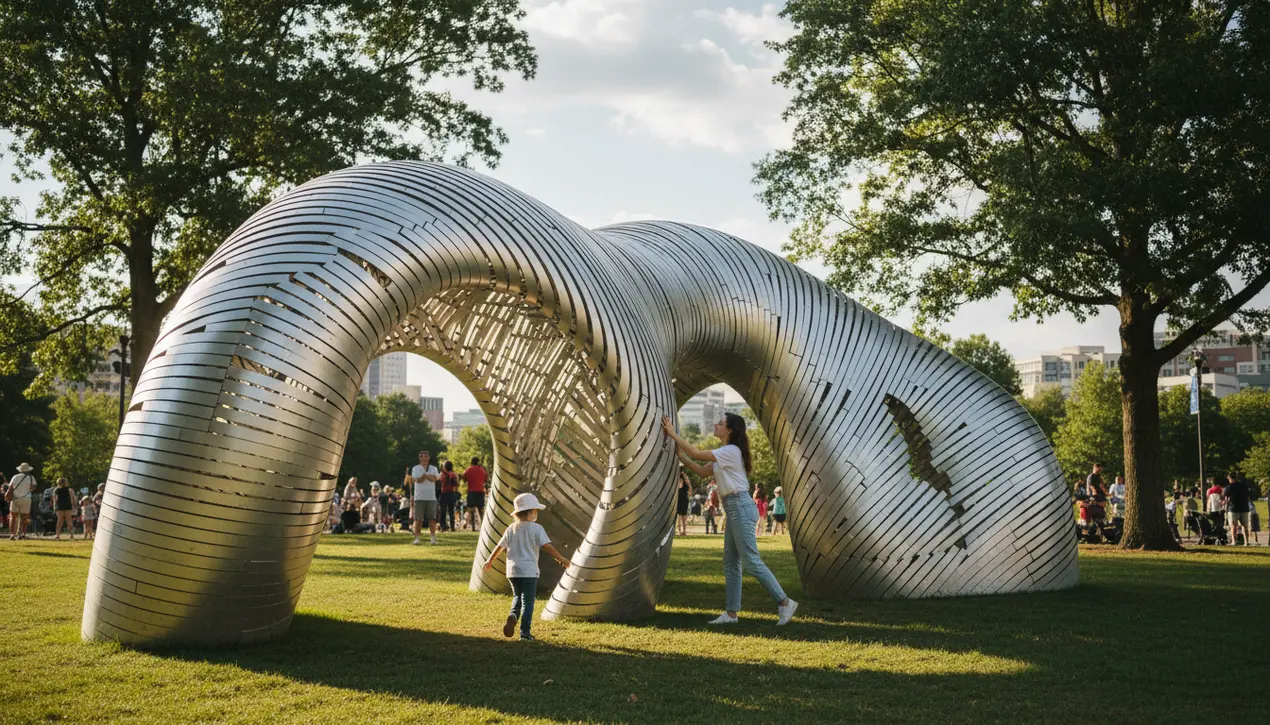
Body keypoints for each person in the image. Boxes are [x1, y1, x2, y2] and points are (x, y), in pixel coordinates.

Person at [662, 414, 798, 626]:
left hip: (740, 506)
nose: (715, 425)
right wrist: (680, 455)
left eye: (720, 423)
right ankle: (731, 614)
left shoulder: (730, 451)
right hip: (734, 507)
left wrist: (672, 433)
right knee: (731, 563)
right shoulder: (723, 456)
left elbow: (696, 452)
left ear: (730, 430)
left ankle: (784, 602)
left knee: (751, 562)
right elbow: (699, 468)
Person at [482, 493, 570, 641]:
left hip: (513, 571)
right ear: (530, 512)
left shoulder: (511, 528)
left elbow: (500, 546)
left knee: (517, 596)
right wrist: (561, 559)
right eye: (536, 511)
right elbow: (547, 547)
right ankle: (525, 633)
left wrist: (489, 560)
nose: (536, 513)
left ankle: (513, 615)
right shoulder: (536, 528)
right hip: (529, 571)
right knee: (528, 602)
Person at [411, 450, 440, 545]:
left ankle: (433, 538)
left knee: (432, 518)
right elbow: (418, 480)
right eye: (422, 457)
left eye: (426, 456)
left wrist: (424, 476)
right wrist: (426, 476)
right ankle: (417, 538)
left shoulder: (434, 468)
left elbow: (435, 478)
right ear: (419, 458)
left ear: (429, 458)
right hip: (419, 497)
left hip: (431, 497)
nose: (424, 458)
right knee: (418, 519)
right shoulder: (415, 468)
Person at [7, 463, 38, 540]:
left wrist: (8, 495)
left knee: (13, 517)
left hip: (15, 498)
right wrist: (28, 490)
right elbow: (34, 486)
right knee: (24, 518)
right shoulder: (31, 477)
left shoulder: (15, 477)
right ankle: (22, 534)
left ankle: (12, 534)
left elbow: (10, 487)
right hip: (26, 499)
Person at [1223, 472, 1252, 545]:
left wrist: (1225, 508)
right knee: (1245, 526)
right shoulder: (1244, 486)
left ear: (1230, 478)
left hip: (1233, 508)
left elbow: (1227, 498)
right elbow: (1248, 496)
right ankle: (1246, 541)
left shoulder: (1229, 487)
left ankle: (1234, 541)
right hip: (1244, 507)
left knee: (1233, 526)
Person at [462, 457, 488, 532]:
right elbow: (486, 479)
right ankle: (483, 526)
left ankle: (472, 527)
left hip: (471, 491)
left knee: (471, 509)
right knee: (481, 510)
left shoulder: (469, 469)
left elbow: (464, 478)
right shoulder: (482, 470)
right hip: (480, 491)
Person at [439, 461, 460, 533]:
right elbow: (457, 484)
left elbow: (440, 481)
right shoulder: (454, 474)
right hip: (452, 493)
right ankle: (452, 527)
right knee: (451, 511)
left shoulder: (442, 474)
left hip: (444, 493)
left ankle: (443, 527)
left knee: (443, 511)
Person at [676, 471, 691, 536]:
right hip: (678, 502)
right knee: (679, 517)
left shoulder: (685, 486)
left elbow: (688, 482)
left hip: (685, 502)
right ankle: (679, 531)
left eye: (681, 480)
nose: (680, 481)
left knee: (684, 518)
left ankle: (684, 531)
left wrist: (684, 474)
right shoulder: (676, 486)